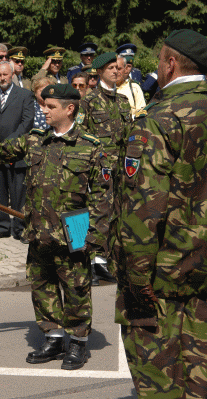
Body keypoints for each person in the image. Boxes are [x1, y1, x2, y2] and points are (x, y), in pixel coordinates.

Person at [0, 83, 108, 371]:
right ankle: (54, 337)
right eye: (43, 105)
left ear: (70, 109)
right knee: (42, 285)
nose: (43, 111)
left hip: (75, 226)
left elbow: (103, 195)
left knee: (76, 287)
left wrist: (93, 235)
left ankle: (78, 342)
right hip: (39, 228)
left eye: (50, 106)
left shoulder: (91, 146)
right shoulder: (35, 141)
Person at [112, 29, 207, 398]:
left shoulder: (158, 118)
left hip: (163, 275)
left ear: (170, 64)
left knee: (160, 380)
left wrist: (136, 284)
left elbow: (142, 211)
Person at [78, 52, 132, 285]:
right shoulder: (88, 102)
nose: (115, 71)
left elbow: (129, 136)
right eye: (110, 68)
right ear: (99, 72)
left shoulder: (123, 101)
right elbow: (81, 134)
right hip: (98, 168)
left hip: (120, 168)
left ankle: (103, 261)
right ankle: (86, 263)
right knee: (94, 214)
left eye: (117, 68)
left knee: (113, 215)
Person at [0, 61, 34, 240]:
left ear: (12, 74)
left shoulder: (25, 95)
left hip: (16, 151)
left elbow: (27, 122)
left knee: (19, 192)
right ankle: (2, 226)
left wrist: (10, 142)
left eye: (5, 74)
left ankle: (19, 228)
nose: (2, 78)